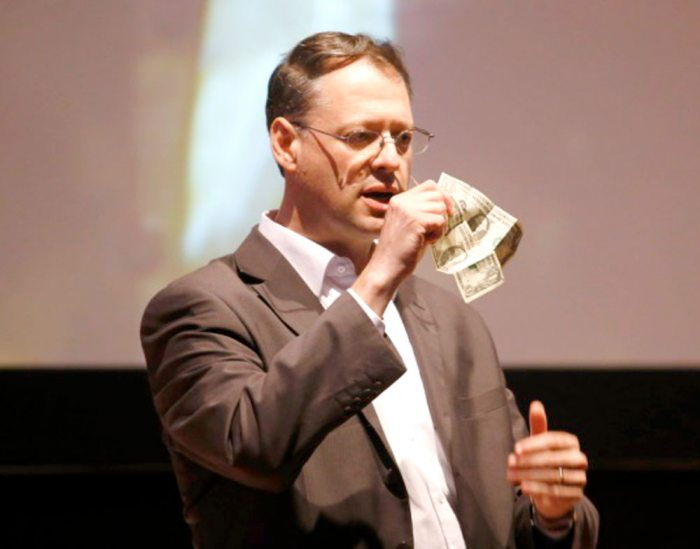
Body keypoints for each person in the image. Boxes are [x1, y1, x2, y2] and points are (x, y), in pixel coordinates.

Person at [141, 31, 599, 549]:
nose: (389, 160)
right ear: (286, 144)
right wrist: (377, 279)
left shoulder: (452, 322)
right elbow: (253, 447)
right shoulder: (202, 308)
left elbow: (508, 518)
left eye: (402, 139)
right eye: (360, 136)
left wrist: (552, 514)